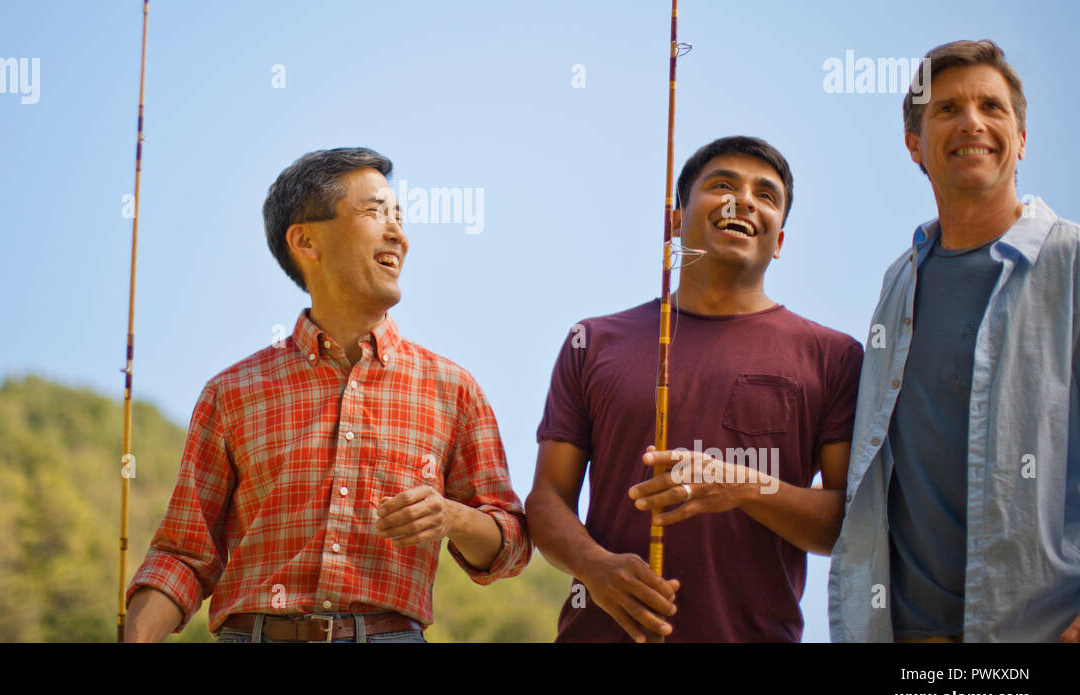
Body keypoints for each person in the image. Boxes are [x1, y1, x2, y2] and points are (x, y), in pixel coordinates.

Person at [124, 147, 530, 642]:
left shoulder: (454, 390)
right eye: (375, 213)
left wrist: (452, 515)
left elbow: (510, 547)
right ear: (305, 241)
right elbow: (185, 556)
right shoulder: (231, 394)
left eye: (399, 218)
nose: (398, 234)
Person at [526, 135, 863, 642]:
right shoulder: (592, 341)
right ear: (676, 220)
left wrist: (745, 486)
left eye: (766, 196)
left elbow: (844, 522)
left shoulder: (835, 356)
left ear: (780, 240)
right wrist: (595, 568)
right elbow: (547, 500)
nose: (744, 200)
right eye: (722, 184)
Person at [829, 39, 1080, 643]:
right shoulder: (899, 284)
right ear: (915, 146)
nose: (972, 122)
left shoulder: (1070, 262)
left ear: (1019, 139)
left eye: (992, 107)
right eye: (946, 110)